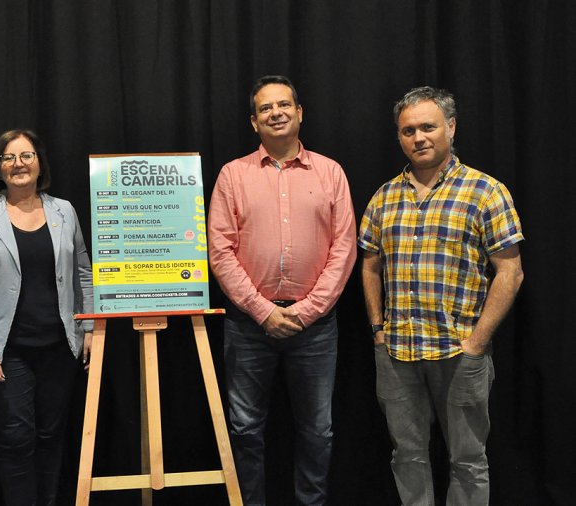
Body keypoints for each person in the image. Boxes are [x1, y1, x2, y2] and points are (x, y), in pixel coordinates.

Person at [359, 86, 525, 505]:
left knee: (468, 459)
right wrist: (378, 331)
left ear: (450, 127)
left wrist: (477, 342)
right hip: (397, 354)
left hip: (460, 353)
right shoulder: (383, 197)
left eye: (428, 127)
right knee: (407, 456)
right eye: (408, 130)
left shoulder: (485, 191)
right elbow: (370, 266)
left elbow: (511, 271)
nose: (419, 138)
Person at [208, 75, 357, 505]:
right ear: (254, 122)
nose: (276, 113)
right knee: (245, 429)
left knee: (317, 431)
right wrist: (263, 312)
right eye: (265, 108)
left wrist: (306, 312)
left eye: (284, 105)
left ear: (300, 113)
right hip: (248, 326)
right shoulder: (232, 176)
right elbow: (220, 252)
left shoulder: (331, 173)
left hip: (316, 329)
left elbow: (343, 249)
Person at [0, 129, 94, 506]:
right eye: (8, 157)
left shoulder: (63, 211)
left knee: (52, 435)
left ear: (39, 163)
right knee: (16, 438)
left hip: (59, 347)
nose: (18, 164)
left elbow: (84, 271)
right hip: (10, 351)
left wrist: (89, 326)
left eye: (27, 155)